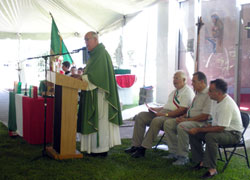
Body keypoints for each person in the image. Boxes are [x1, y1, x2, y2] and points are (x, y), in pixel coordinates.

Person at [125, 70, 195, 158]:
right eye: (174, 78)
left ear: (184, 80)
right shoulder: (175, 91)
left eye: (177, 78)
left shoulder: (187, 92)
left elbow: (181, 110)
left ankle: (143, 148)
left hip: (173, 116)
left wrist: (164, 115)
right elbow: (166, 106)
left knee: (157, 120)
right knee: (141, 116)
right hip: (164, 113)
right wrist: (155, 109)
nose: (174, 80)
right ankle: (136, 145)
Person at [77, 31, 122, 157]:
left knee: (100, 121)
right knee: (97, 120)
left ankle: (101, 149)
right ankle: (93, 148)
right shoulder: (94, 54)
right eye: (85, 40)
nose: (86, 43)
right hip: (92, 93)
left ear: (95, 40)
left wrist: (83, 77)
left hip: (100, 95)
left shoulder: (101, 53)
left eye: (87, 40)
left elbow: (98, 76)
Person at [188, 79, 243, 179]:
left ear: (218, 93)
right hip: (223, 130)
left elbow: (220, 128)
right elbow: (215, 121)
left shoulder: (226, 104)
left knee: (211, 136)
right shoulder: (215, 100)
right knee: (194, 133)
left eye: (210, 91)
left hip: (233, 134)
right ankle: (201, 161)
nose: (208, 92)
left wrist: (200, 129)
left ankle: (212, 169)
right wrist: (204, 127)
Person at [164, 71, 212, 165]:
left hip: (202, 123)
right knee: (168, 123)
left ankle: (183, 156)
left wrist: (186, 120)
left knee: (182, 126)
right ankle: (174, 152)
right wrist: (183, 116)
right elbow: (191, 110)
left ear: (202, 82)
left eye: (194, 81)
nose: (191, 84)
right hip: (191, 119)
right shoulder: (198, 93)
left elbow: (205, 116)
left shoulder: (208, 95)